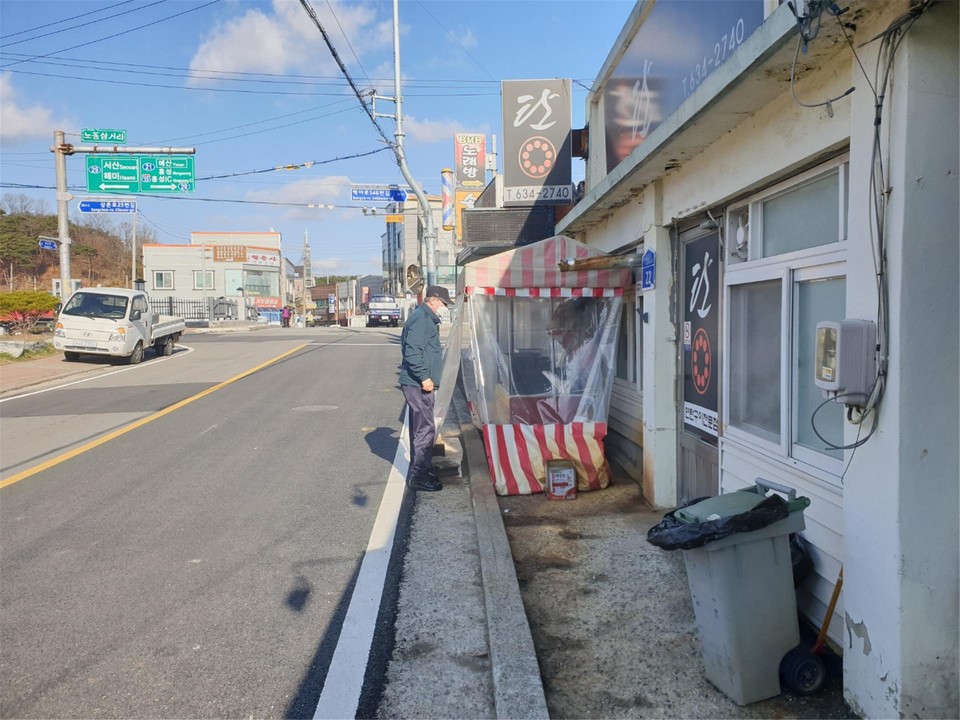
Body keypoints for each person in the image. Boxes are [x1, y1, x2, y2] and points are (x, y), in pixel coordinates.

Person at [399, 285, 450, 492]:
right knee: (424, 429)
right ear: (434, 300)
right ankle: (418, 476)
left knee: (422, 428)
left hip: (419, 382)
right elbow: (412, 351)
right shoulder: (422, 318)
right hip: (419, 383)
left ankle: (422, 468)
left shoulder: (424, 317)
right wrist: (424, 377)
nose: (445, 308)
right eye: (444, 304)